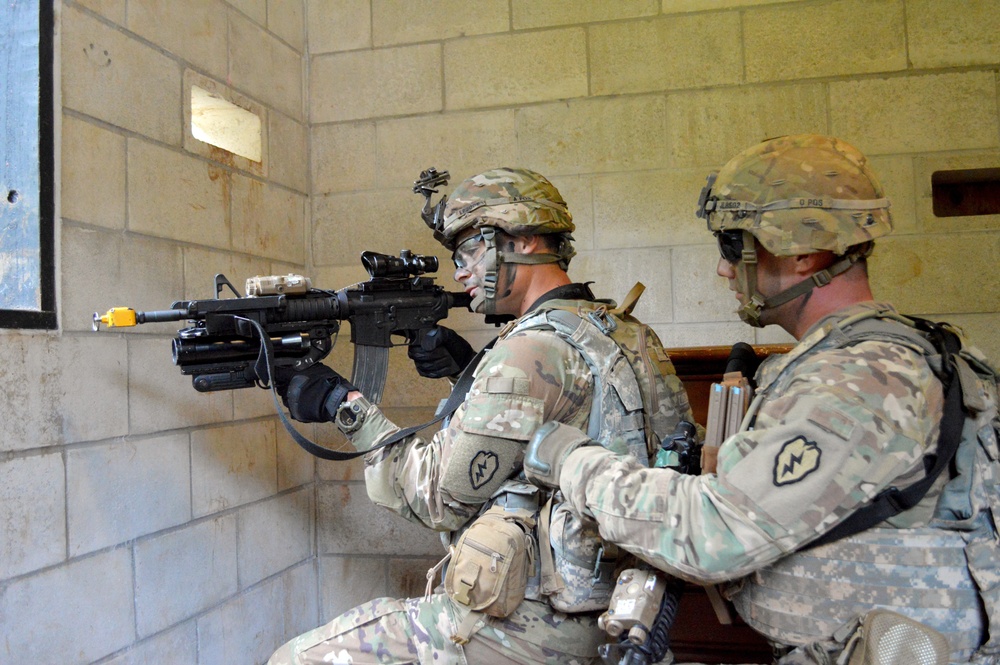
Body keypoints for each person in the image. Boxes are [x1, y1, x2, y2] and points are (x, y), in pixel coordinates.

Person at [523, 135, 1000, 664]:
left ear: (804, 254)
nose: (725, 269)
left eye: (733, 246)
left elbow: (712, 534)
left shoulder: (859, 380)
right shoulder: (886, 354)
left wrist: (572, 459)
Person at [267, 167, 697, 664]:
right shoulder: (623, 331)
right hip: (618, 611)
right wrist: (464, 373)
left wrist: (344, 407)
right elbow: (556, 429)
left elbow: (437, 501)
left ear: (527, 240)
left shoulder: (531, 350)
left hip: (534, 629)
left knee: (295, 659)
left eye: (470, 249)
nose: (460, 271)